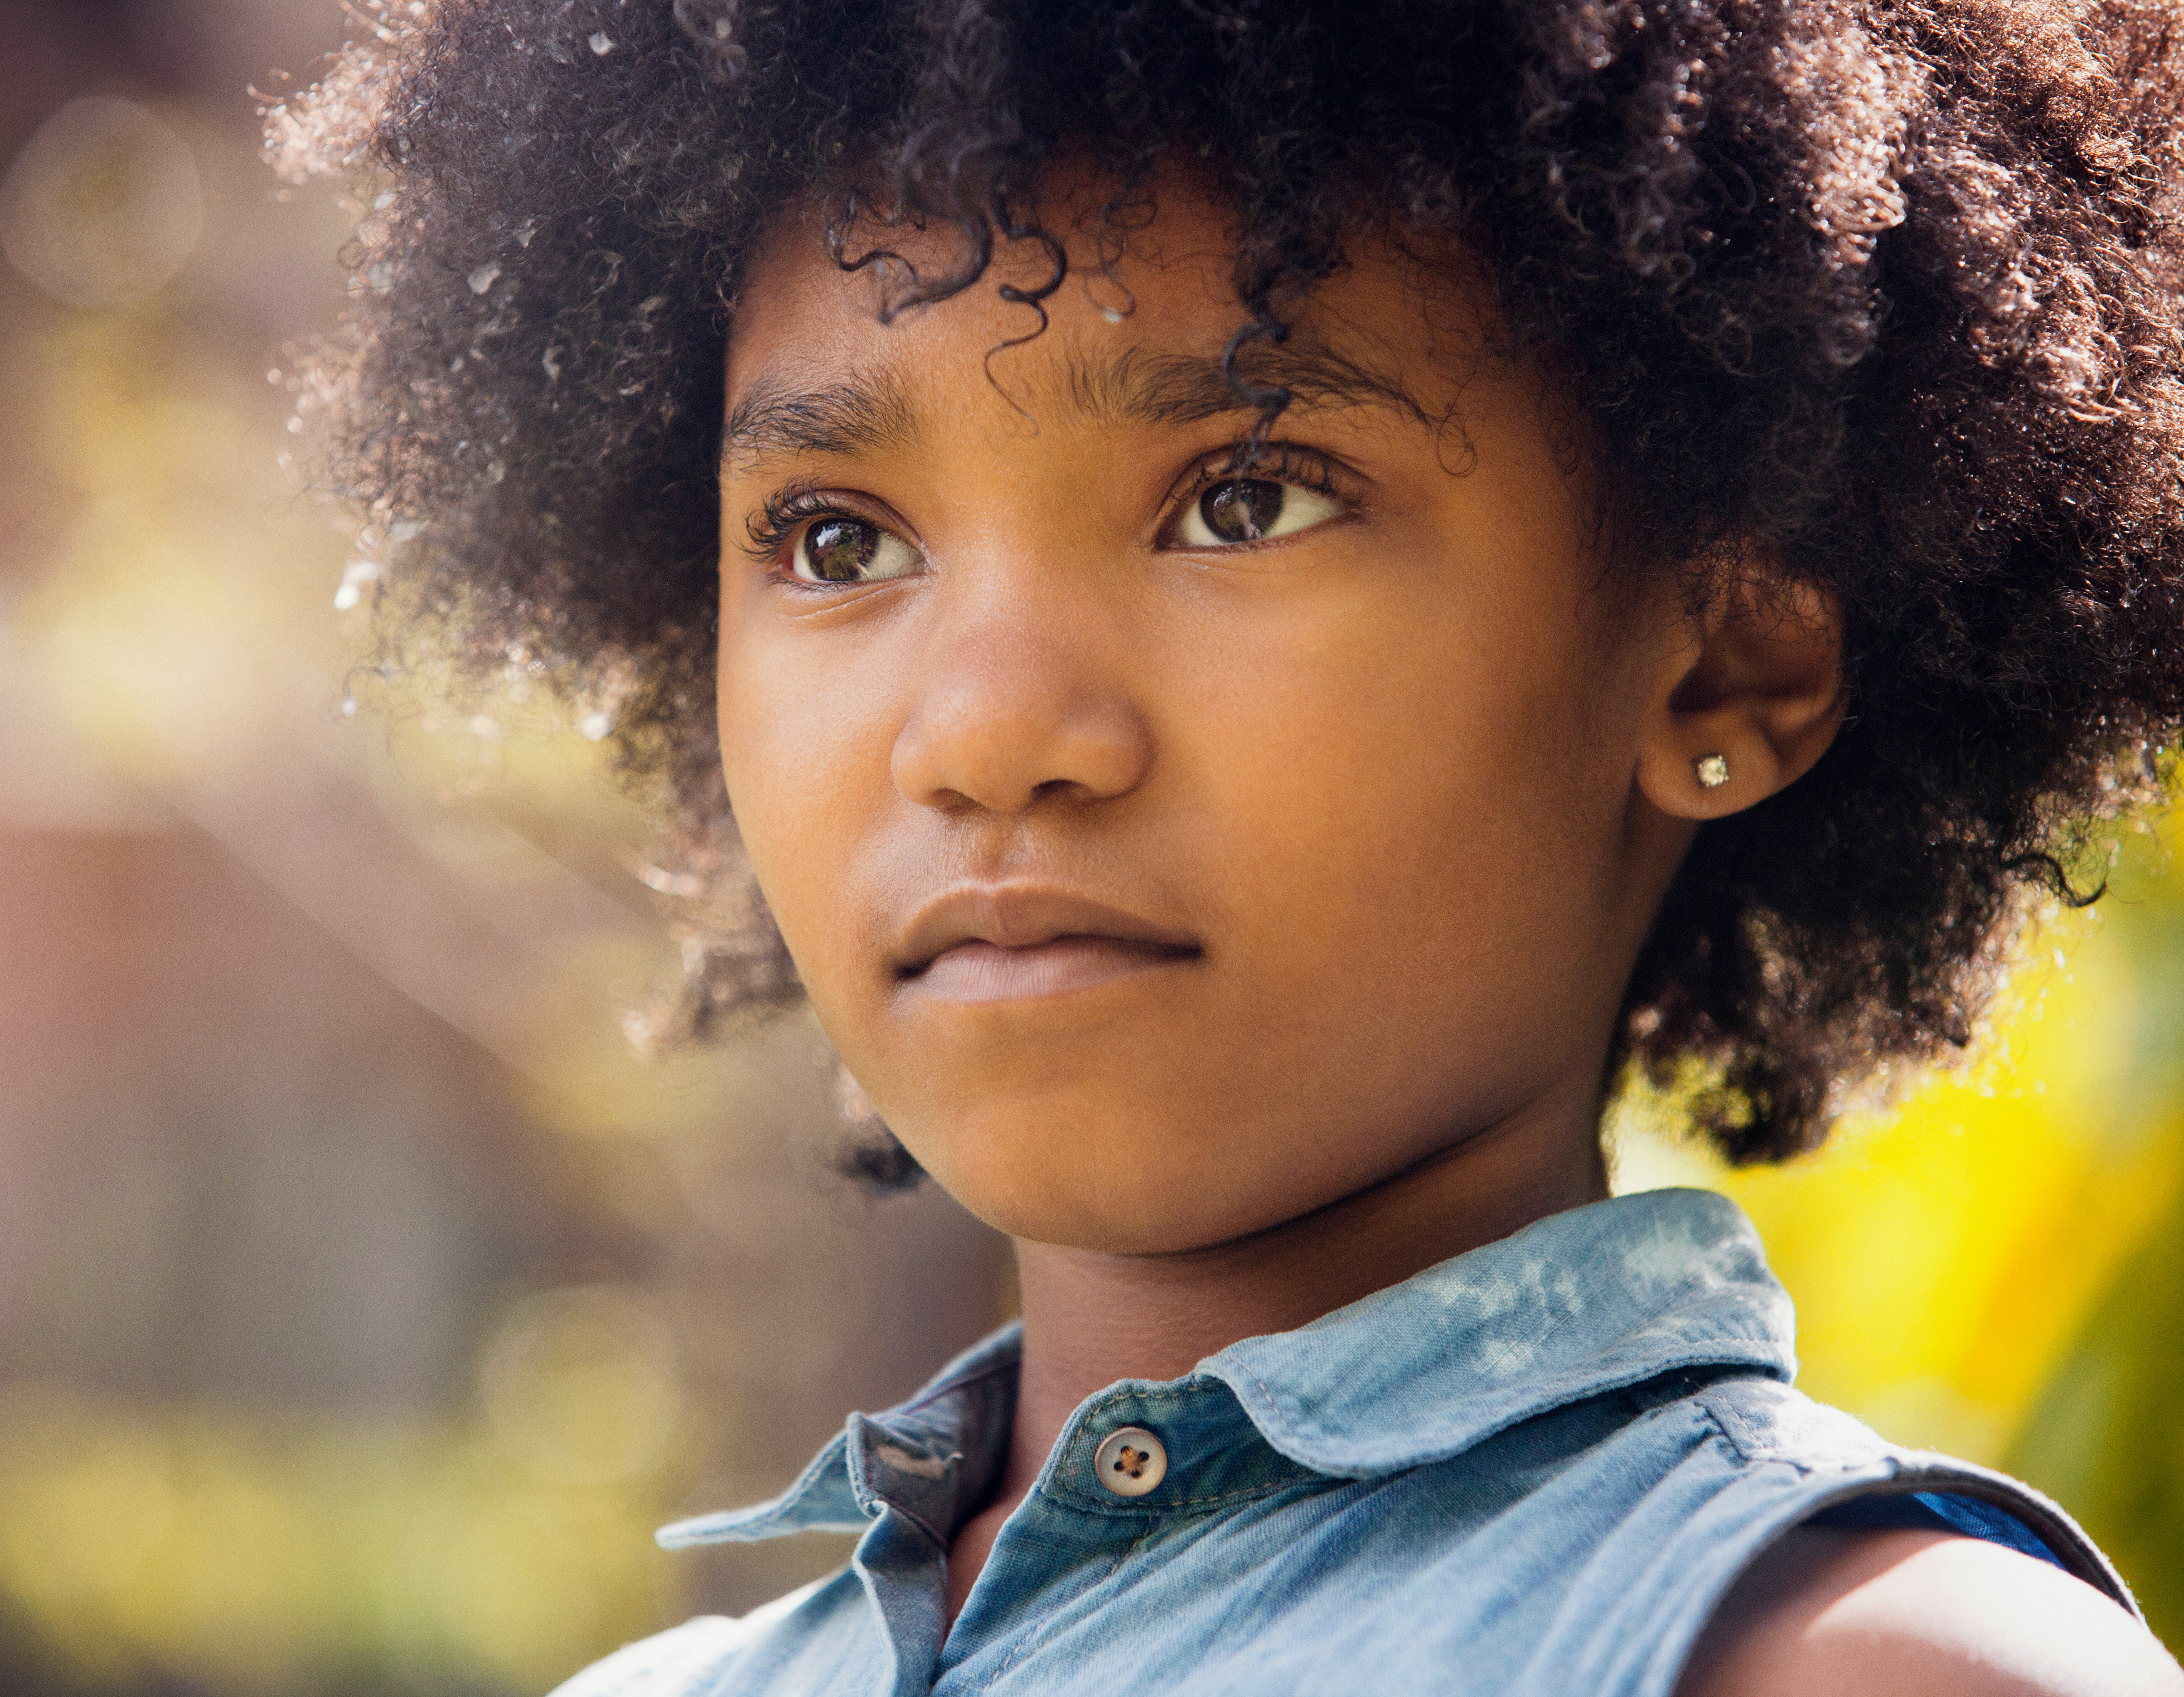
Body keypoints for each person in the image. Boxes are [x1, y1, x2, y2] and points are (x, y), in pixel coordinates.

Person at [273, 0, 2184, 1690]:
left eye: (1247, 497)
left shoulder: (1857, 1672)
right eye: (838, 541)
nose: (986, 730)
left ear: (1725, 669)